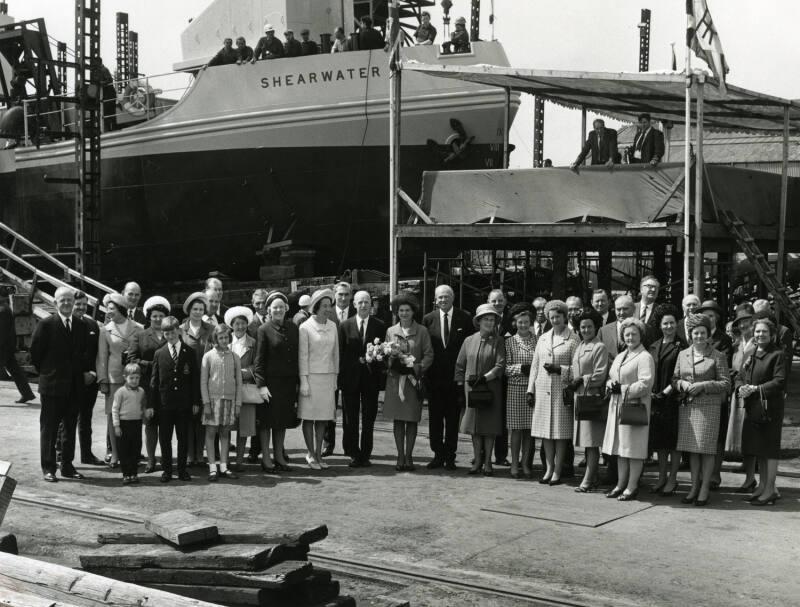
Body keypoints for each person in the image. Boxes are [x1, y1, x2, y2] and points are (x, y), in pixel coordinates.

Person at [30, 287, 95, 482]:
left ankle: (67, 465)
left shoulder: (81, 326)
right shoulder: (46, 324)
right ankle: (48, 467)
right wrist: (49, 373)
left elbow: (84, 354)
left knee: (69, 428)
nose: (66, 303)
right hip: (52, 385)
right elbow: (36, 354)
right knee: (49, 428)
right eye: (62, 300)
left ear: (73, 302)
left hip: (74, 386)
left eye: (69, 300)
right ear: (55, 302)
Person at [672, 313, 730, 507]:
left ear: (708, 334)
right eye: (695, 333)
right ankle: (693, 487)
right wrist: (682, 384)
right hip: (688, 408)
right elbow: (675, 378)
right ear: (690, 334)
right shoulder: (683, 354)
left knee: (706, 450)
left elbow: (725, 383)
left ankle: (705, 488)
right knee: (692, 451)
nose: (699, 337)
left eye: (702, 333)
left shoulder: (717, 356)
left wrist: (704, 385)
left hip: (708, 409)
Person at [602, 318, 655, 501]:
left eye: (634, 334)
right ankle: (620, 484)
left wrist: (623, 389)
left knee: (634, 449)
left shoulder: (644, 357)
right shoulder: (621, 355)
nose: (630, 337)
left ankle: (632, 486)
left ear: (641, 335)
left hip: (634, 407)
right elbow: (611, 375)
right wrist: (610, 384)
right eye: (627, 334)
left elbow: (646, 384)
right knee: (621, 448)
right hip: (617, 407)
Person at [527, 300, 579, 485]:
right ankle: (548, 468)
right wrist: (530, 390)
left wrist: (561, 369)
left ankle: (558, 469)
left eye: (558, 316)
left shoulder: (573, 338)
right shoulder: (542, 338)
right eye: (552, 317)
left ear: (565, 317)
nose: (555, 320)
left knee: (559, 433)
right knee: (545, 434)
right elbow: (535, 365)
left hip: (560, 392)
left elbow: (578, 369)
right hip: (542, 390)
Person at [422, 284, 474, 470]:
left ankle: (450, 456)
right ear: (435, 300)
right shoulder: (428, 319)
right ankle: (437, 455)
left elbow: (469, 349)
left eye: (446, 296)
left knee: (453, 421)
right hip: (434, 380)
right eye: (439, 297)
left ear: (453, 298)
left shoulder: (464, 318)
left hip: (456, 380)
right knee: (435, 420)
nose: (443, 300)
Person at [737, 317, 786, 506]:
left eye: (764, 331)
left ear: (772, 334)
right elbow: (741, 375)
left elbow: (779, 381)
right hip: (754, 407)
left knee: (770, 449)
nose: (760, 334)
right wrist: (741, 387)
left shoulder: (777, 354)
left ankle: (770, 489)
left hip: (770, 409)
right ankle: (762, 486)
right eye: (757, 331)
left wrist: (756, 389)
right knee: (759, 450)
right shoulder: (752, 352)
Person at [383, 292, 434, 471]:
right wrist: (391, 361)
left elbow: (429, 355)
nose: (404, 313)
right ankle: (400, 456)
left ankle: (410, 456)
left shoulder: (422, 331)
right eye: (401, 310)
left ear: (413, 312)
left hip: (413, 382)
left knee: (411, 420)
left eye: (407, 310)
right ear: (397, 312)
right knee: (398, 421)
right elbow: (385, 353)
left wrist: (417, 367)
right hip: (396, 382)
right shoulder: (391, 331)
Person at [455, 304, 505, 476]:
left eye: (492, 320)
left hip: (491, 389)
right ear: (479, 321)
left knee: (489, 427)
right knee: (474, 427)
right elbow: (460, 366)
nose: (490, 323)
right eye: (486, 319)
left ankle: (488, 462)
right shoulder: (469, 340)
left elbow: (500, 365)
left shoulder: (498, 341)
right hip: (471, 389)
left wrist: (485, 377)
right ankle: (477, 460)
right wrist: (461, 387)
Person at [338, 290, 386, 467]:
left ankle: (366, 454)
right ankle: (353, 452)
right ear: (354, 304)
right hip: (350, 380)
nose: (363, 305)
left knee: (368, 418)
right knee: (350, 418)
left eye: (366, 302)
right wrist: (342, 378)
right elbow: (341, 354)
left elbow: (383, 352)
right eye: (360, 302)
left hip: (370, 380)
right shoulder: (344, 326)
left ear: (371, 305)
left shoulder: (380, 325)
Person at [254, 291, 299, 473]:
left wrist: (297, 382)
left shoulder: (293, 327)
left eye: (281, 306)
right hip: (270, 384)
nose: (278, 310)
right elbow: (259, 360)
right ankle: (266, 457)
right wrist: (261, 385)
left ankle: (279, 456)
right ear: (269, 310)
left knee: (282, 421)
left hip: (287, 384)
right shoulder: (263, 329)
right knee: (266, 423)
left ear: (286, 308)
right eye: (275, 307)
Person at [151, 316, 200, 482]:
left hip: (184, 404)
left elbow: (194, 379)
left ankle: (182, 469)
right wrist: (152, 404)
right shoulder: (159, 353)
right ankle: (166, 470)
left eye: (172, 332)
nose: (170, 336)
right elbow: (154, 381)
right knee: (165, 438)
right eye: (166, 333)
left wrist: (195, 401)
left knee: (182, 438)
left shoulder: (189, 352)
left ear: (178, 331)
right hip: (165, 404)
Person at [566, 308, 609, 492]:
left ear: (596, 327)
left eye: (589, 326)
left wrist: (581, 380)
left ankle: (588, 479)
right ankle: (594, 476)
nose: (585, 330)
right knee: (587, 442)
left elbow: (600, 375)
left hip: (591, 398)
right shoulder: (581, 346)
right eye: (582, 327)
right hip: (580, 397)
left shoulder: (599, 347)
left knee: (592, 443)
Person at [97, 293, 142, 469]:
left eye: (112, 309)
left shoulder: (137, 328)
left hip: (133, 378)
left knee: (133, 416)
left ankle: (132, 454)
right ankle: (115, 453)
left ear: (121, 309)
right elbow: (102, 357)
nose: (109, 313)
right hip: (114, 378)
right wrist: (102, 380)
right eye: (107, 309)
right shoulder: (105, 330)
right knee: (114, 417)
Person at [126, 295, 170, 473]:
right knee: (150, 425)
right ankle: (151, 460)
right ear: (149, 318)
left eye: (161, 316)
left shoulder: (172, 334)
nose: (158, 319)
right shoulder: (140, 335)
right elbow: (132, 358)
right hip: (147, 387)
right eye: (154, 316)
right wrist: (151, 365)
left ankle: (166, 461)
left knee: (166, 426)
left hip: (167, 387)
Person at [647, 304, 687, 496]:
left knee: (673, 442)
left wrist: (666, 392)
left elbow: (681, 374)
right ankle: (661, 477)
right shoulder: (654, 345)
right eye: (665, 323)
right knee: (660, 442)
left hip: (673, 400)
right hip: (655, 401)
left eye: (672, 323)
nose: (669, 326)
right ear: (660, 325)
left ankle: (672, 478)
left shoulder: (682, 346)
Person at [298, 289, 339, 469]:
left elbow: (335, 354)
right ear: (315, 307)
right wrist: (304, 381)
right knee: (309, 417)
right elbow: (302, 356)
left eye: (329, 306)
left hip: (327, 378)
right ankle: (311, 454)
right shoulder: (305, 327)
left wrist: (335, 378)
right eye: (324, 306)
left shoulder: (333, 326)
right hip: (311, 378)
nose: (327, 309)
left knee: (323, 418)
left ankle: (319, 454)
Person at [697, 299, 733, 489]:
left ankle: (714, 475)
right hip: (697, 395)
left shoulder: (724, 340)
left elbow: (724, 367)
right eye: (704, 315)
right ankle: (700, 475)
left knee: (716, 436)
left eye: (711, 315)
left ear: (717, 317)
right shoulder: (696, 336)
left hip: (716, 394)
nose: (707, 318)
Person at [201, 324, 242, 481]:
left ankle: (224, 466)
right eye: (221, 337)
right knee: (211, 434)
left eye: (226, 337)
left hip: (229, 401)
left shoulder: (234, 357)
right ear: (215, 339)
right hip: (212, 401)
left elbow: (238, 381)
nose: (224, 340)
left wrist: (238, 404)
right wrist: (206, 403)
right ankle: (212, 467)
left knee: (225, 434)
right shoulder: (208, 356)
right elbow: (203, 382)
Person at [180, 292, 213, 466]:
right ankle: (189, 454)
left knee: (202, 417)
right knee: (187, 417)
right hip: (186, 380)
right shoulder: (180, 330)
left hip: (207, 379)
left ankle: (200, 454)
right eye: (195, 309)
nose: (198, 312)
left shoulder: (210, 330)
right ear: (189, 310)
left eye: (201, 309)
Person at [726, 304, 757, 492]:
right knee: (741, 433)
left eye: (748, 321)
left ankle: (751, 477)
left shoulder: (758, 342)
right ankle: (747, 467)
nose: (745, 325)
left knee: (752, 435)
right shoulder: (736, 345)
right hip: (737, 393)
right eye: (741, 322)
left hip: (751, 393)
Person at [503, 303, 536, 478]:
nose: (523, 325)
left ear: (531, 322)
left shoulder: (538, 340)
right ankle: (514, 463)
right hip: (515, 390)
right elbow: (505, 368)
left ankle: (526, 463)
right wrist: (521, 368)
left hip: (532, 390)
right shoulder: (509, 342)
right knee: (516, 430)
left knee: (529, 431)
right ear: (516, 323)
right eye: (520, 322)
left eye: (526, 322)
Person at [225, 306, 258, 471]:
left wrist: (244, 372)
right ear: (232, 325)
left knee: (243, 427)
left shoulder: (253, 343)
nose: (240, 327)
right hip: (228, 390)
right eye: (237, 324)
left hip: (246, 389)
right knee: (227, 426)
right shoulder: (225, 342)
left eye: (243, 323)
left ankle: (239, 460)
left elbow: (257, 365)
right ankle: (226, 460)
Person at [326, 281, 356, 456]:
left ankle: (349, 445)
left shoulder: (356, 312)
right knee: (329, 407)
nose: (343, 298)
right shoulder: (327, 314)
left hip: (350, 369)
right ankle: (328, 444)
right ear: (334, 296)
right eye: (340, 294)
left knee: (349, 410)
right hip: (330, 368)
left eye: (346, 294)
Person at [72, 292, 102, 465]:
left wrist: (92, 373)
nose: (81, 307)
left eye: (84, 304)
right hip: (71, 380)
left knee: (86, 419)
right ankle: (61, 453)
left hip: (89, 381)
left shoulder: (92, 324)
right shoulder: (65, 325)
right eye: (78, 304)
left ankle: (86, 454)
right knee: (66, 418)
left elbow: (96, 353)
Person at [112, 363, 152, 485]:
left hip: (137, 424)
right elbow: (115, 409)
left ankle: (134, 473)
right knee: (124, 450)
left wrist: (146, 413)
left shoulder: (141, 391)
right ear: (125, 377)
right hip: (124, 424)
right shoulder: (120, 392)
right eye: (131, 378)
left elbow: (143, 406)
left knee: (135, 449)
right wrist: (116, 426)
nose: (134, 381)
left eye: (137, 378)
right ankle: (126, 474)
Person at [487, 288, 511, 465]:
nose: (497, 304)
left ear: (505, 302)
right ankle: (482, 453)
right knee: (484, 412)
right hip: (486, 375)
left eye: (500, 300)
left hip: (505, 377)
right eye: (494, 301)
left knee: (502, 417)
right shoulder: (482, 320)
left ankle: (501, 455)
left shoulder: (511, 322)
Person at [0, 289, 35, 403]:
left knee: (15, 371)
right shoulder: (4, 308)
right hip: (7, 347)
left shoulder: (2, 310)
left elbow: (2, 333)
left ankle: (27, 394)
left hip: (3, 347)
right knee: (15, 371)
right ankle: (27, 394)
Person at [634, 275, 662, 345]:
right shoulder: (631, 308)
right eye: (650, 286)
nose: (653, 290)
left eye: (656, 287)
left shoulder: (661, 310)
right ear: (641, 289)